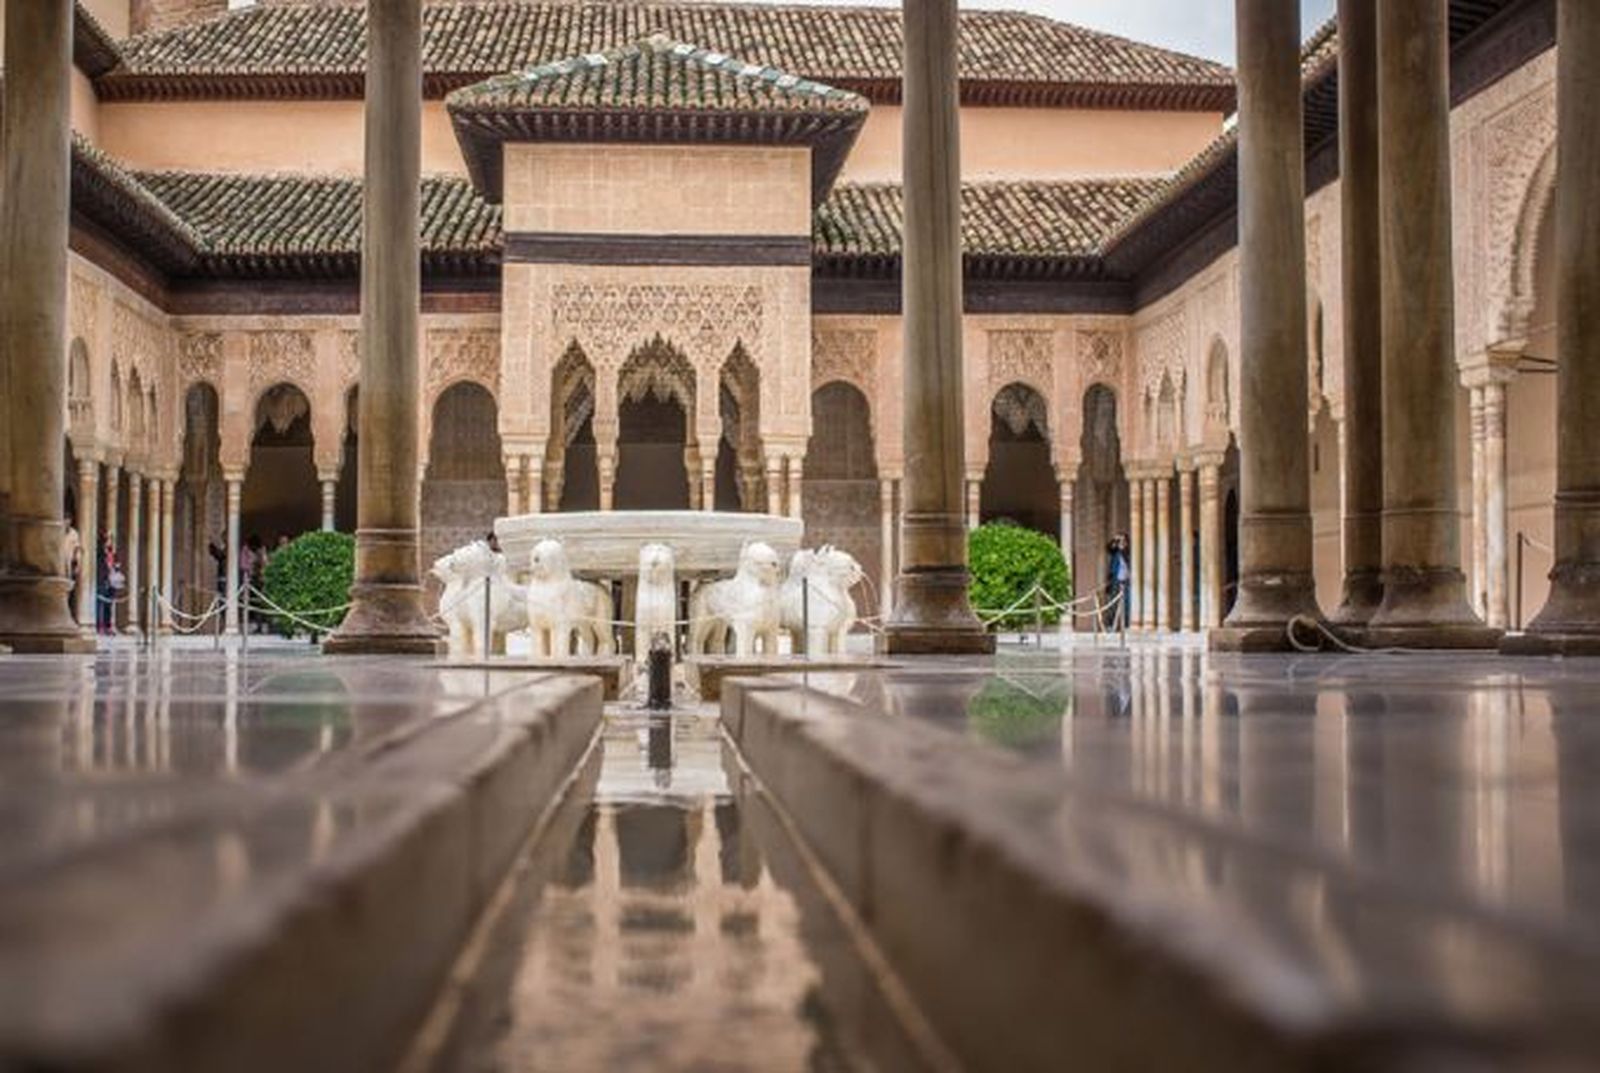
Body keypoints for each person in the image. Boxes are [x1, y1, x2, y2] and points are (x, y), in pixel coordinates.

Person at [97, 534, 123, 636]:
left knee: (109, 606)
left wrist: (116, 567)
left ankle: (108, 626)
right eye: (108, 539)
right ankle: (100, 626)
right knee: (100, 605)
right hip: (102, 581)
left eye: (111, 540)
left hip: (112, 583)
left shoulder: (113, 554)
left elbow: (117, 566)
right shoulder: (99, 553)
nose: (110, 542)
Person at [1105, 535, 1130, 631]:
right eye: (1120, 541)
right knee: (1113, 604)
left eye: (1124, 541)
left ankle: (1126, 625)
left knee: (1127, 605)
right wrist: (1115, 539)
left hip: (1126, 582)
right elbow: (1108, 548)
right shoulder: (1115, 553)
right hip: (1116, 581)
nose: (1122, 543)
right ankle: (1110, 625)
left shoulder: (1128, 553)